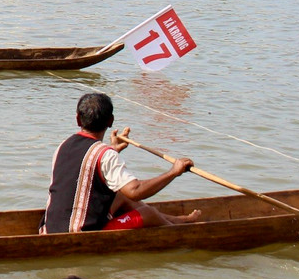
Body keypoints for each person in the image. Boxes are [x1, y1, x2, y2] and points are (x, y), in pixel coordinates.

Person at [41, 93, 201, 234]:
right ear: (111, 121)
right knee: (148, 214)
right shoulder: (105, 154)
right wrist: (174, 172)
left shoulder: (63, 146)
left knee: (120, 194)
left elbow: (90, 167)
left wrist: (113, 149)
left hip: (49, 229)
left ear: (77, 119)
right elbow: (135, 191)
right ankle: (181, 234)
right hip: (82, 232)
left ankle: (179, 220)